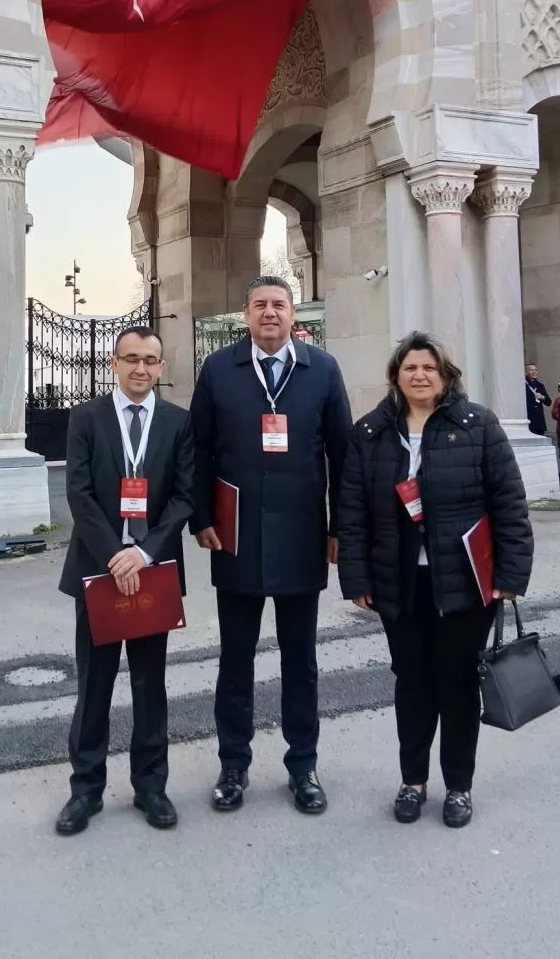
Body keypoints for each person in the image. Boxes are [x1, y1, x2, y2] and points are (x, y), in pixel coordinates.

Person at [337, 331, 533, 829]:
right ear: (396, 377)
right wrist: (356, 577)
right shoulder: (370, 433)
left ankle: (459, 786)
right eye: (410, 368)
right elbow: (352, 514)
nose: (419, 375)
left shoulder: (478, 425)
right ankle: (413, 781)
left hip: (467, 582)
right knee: (412, 682)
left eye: (429, 368)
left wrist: (511, 575)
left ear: (445, 376)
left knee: (459, 682)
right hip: (399, 585)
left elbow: (509, 503)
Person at [189, 275, 351, 815]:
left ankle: (303, 765)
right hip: (235, 538)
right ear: (245, 313)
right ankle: (233, 765)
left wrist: (339, 528)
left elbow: (344, 456)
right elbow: (199, 449)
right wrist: (201, 517)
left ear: (293, 312)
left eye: (278, 305)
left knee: (300, 662)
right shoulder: (218, 370)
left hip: (303, 537)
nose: (269, 313)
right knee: (235, 661)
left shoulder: (322, 369)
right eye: (259, 305)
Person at [55, 326, 194, 836]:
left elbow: (184, 496)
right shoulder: (87, 418)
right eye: (131, 359)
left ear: (161, 367)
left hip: (153, 572)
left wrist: (144, 551)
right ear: (114, 363)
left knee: (149, 684)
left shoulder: (178, 423)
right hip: (99, 569)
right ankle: (85, 791)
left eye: (150, 360)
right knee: (94, 686)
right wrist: (116, 554)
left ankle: (151, 786)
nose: (141, 369)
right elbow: (79, 493)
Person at [524, 364, 551, 436]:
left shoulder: (540, 385)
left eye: (535, 370)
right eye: (531, 370)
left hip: (538, 420)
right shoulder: (523, 384)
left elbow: (549, 402)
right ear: (526, 372)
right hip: (528, 418)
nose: (534, 372)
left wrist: (542, 397)